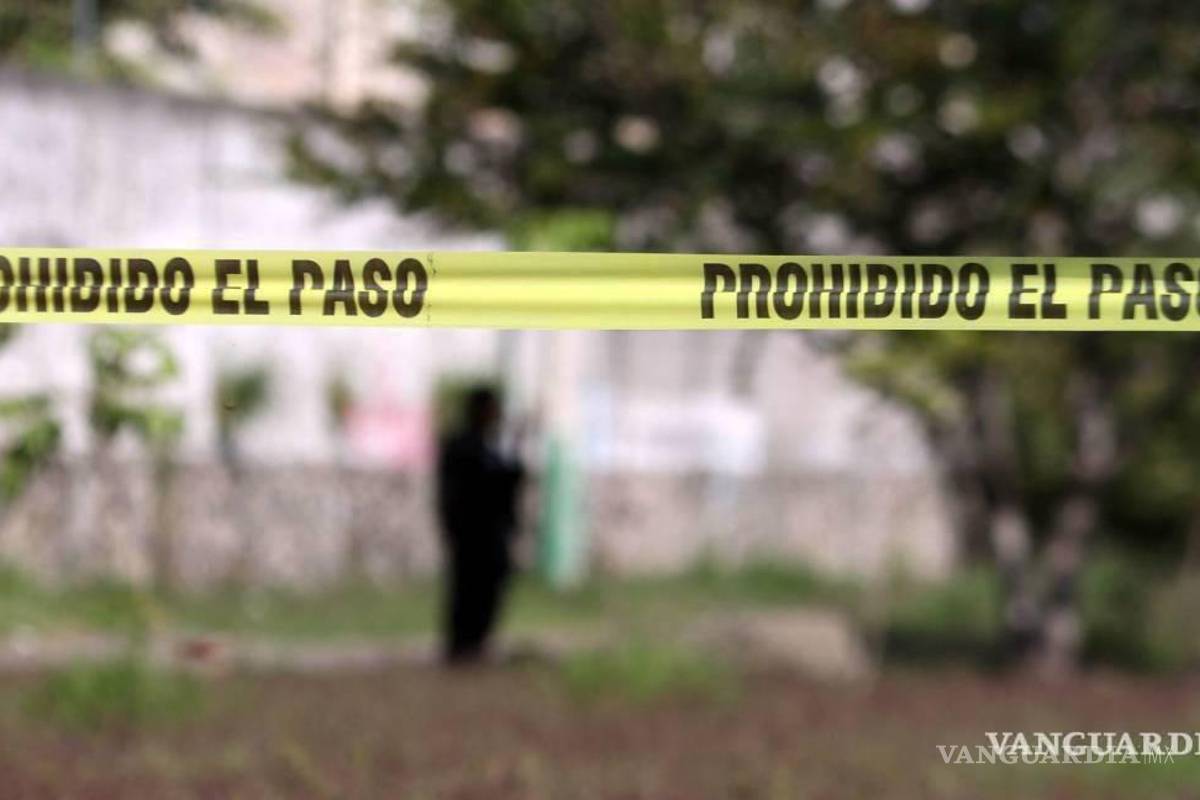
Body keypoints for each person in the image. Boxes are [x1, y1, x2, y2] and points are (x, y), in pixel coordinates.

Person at [436, 386, 525, 665]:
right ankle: (464, 644)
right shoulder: (465, 447)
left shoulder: (485, 448)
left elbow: (506, 480)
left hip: (487, 535)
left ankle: (475, 641)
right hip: (472, 534)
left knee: (485, 590)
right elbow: (482, 487)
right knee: (468, 589)